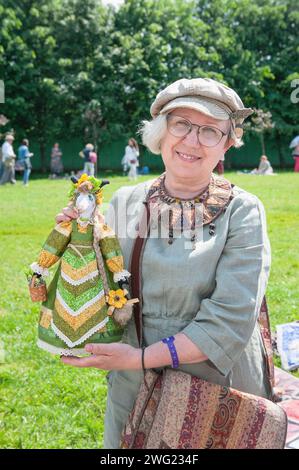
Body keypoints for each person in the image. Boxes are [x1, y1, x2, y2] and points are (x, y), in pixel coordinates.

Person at [56, 77, 272, 449]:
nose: (191, 140)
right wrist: (75, 243)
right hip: (132, 383)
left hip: (216, 388)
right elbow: (104, 286)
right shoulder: (126, 201)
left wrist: (139, 357)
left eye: (209, 131)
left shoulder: (243, 211)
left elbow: (229, 320)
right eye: (181, 125)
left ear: (227, 143)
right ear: (161, 132)